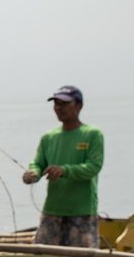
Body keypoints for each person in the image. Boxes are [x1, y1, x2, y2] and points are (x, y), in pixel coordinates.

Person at [21, 85, 104, 247]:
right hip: (53, 210)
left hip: (82, 211)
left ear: (79, 106)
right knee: (43, 255)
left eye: (64, 103)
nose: (59, 108)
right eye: (56, 103)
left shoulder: (92, 134)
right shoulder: (49, 137)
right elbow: (38, 163)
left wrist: (64, 170)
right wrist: (32, 173)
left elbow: (94, 167)